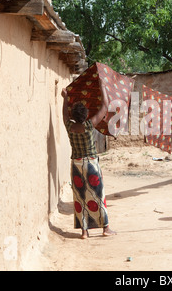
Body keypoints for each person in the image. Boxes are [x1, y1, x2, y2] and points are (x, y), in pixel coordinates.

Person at [61, 80, 116, 239]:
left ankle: (84, 231)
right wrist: (103, 87)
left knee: (80, 197)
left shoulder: (70, 127)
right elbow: (104, 107)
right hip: (91, 163)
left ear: (73, 116)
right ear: (85, 115)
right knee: (98, 195)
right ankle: (105, 228)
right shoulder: (90, 126)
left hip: (76, 164)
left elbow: (64, 114)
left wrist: (65, 97)